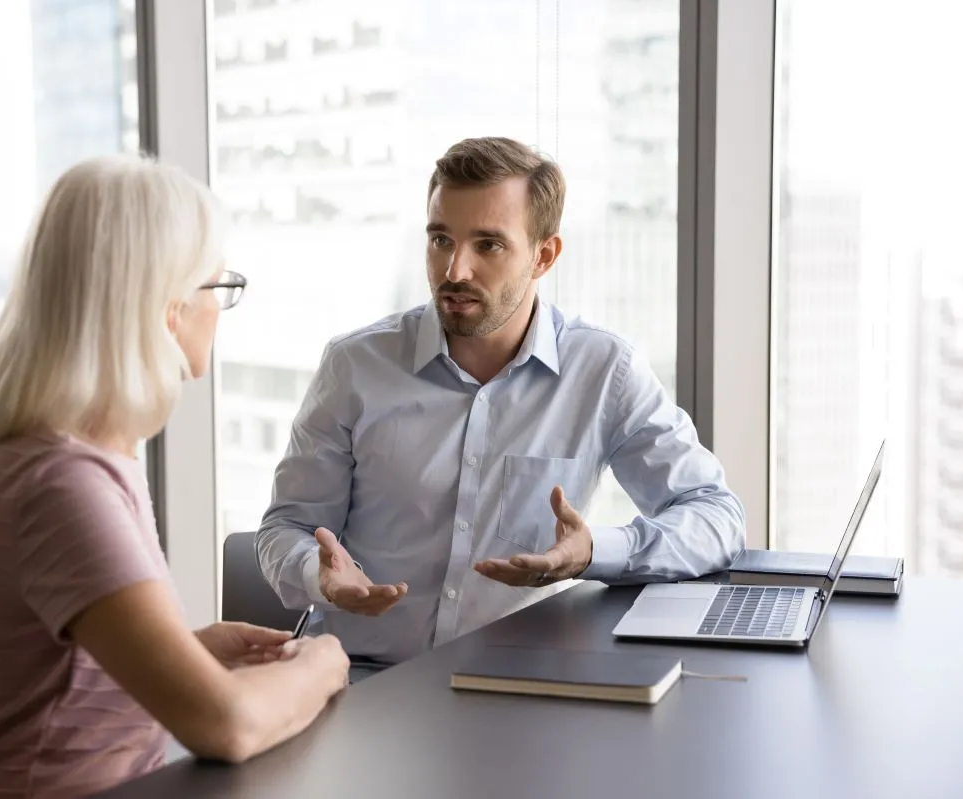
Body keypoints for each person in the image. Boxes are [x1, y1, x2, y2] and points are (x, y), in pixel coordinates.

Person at [0, 154, 349, 799]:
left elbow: (50, 673)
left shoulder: (14, 451)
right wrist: (324, 660)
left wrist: (188, 652)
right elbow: (227, 724)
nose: (220, 307)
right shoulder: (62, 487)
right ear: (167, 308)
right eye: (217, 286)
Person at [256, 137, 745, 666]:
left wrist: (594, 553)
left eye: (487, 245)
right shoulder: (355, 366)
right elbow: (286, 528)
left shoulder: (605, 371)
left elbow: (715, 516)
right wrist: (319, 575)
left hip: (517, 687)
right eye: (440, 239)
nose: (454, 270)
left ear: (543, 256)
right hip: (361, 678)